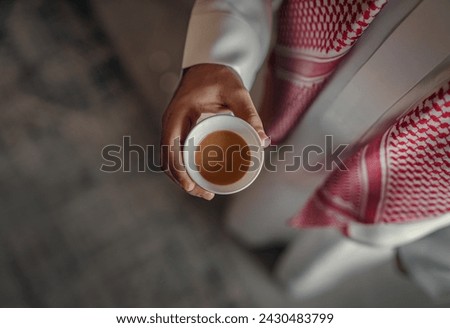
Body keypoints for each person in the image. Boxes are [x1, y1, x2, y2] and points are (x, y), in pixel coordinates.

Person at [161, 0, 450, 302]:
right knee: (266, 192)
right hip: (296, 103)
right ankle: (250, 229)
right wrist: (217, 57)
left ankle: (295, 276)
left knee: (333, 248)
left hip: (410, 188)